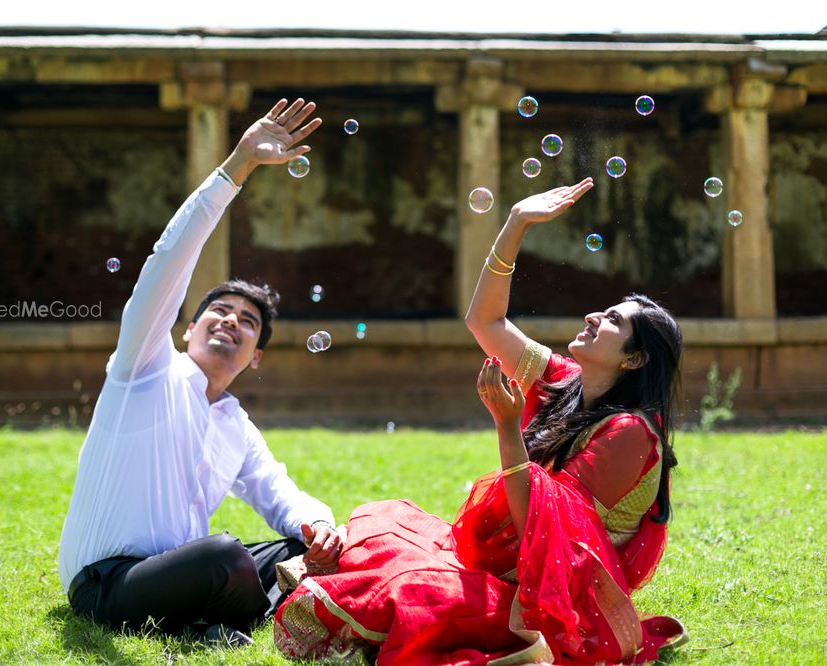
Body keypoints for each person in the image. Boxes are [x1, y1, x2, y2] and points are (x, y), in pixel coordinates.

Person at [273, 180, 688, 664]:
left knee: (414, 587)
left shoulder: (630, 434)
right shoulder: (563, 380)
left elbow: (539, 525)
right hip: (508, 566)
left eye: (614, 321)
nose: (595, 316)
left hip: (548, 599)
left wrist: (508, 427)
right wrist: (515, 223)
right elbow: (485, 322)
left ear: (634, 360)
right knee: (384, 517)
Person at [58, 98, 343, 646]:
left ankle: (221, 621)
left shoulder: (235, 425)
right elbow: (167, 261)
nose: (231, 323)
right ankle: (242, 618)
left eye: (248, 323)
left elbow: (278, 492)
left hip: (184, 573)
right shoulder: (142, 369)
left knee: (306, 551)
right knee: (224, 556)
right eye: (219, 312)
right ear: (186, 329)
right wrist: (236, 167)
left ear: (255, 356)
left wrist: (319, 528)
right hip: (108, 583)